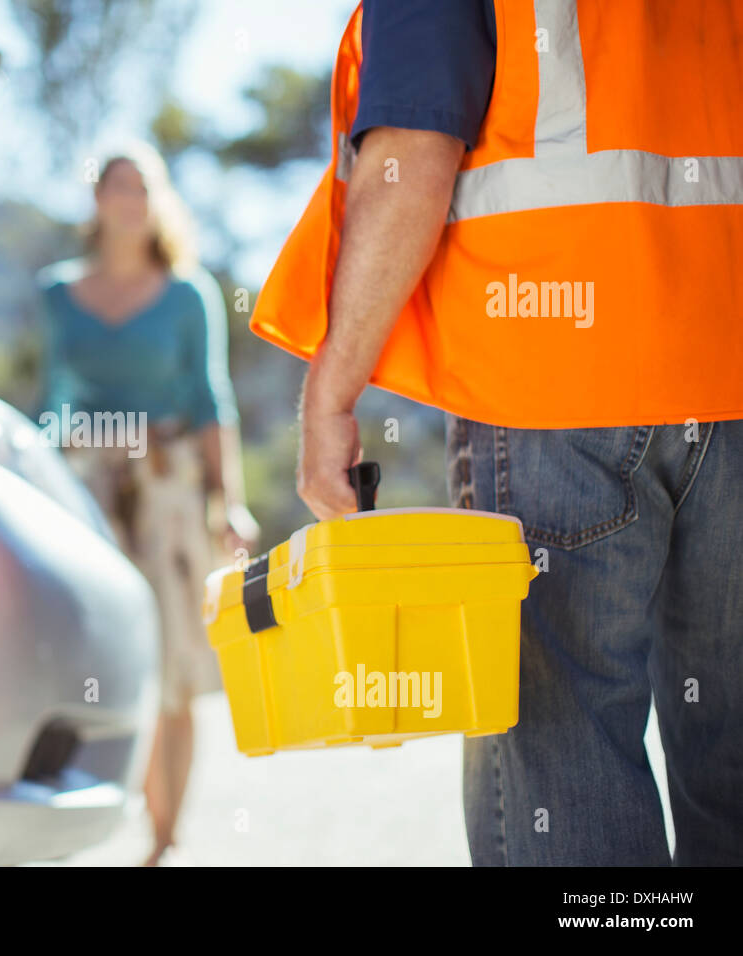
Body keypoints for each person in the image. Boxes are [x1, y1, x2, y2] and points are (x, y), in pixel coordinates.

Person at [251, 0, 743, 865]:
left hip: (553, 380)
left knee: (566, 749)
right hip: (728, 362)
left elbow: (412, 155)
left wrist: (332, 394)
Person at [35, 143, 259, 866]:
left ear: (157, 201)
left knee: (174, 661)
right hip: (87, 490)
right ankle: (91, 815)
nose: (131, 200)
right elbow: (52, 402)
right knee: (91, 654)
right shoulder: (56, 293)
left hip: (170, 489)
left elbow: (208, 399)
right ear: (97, 199)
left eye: (144, 187)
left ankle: (165, 840)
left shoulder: (188, 293)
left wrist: (231, 501)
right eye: (118, 186)